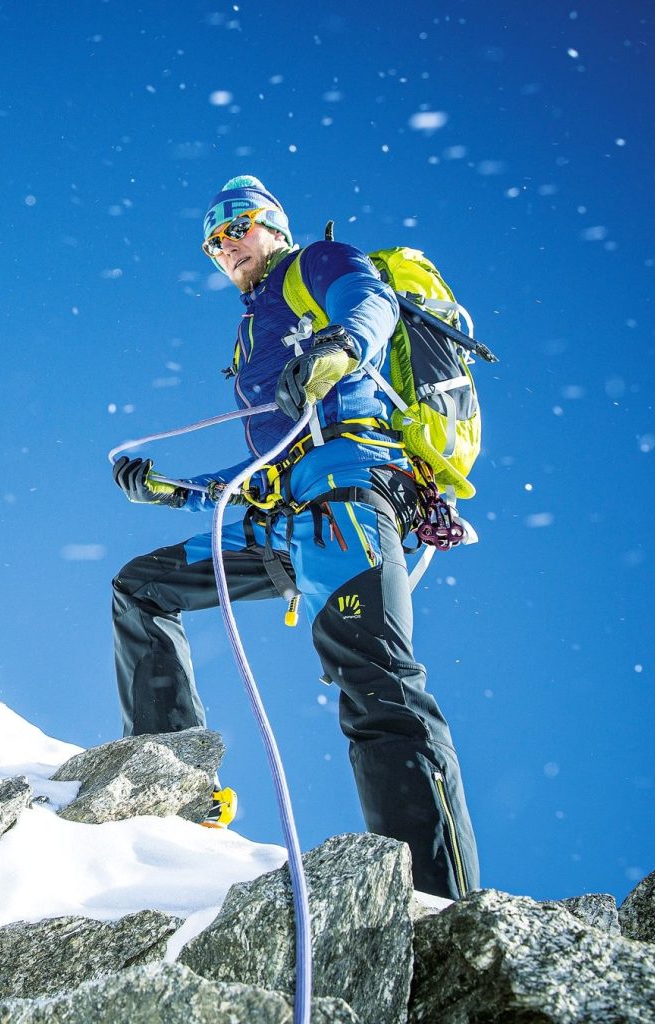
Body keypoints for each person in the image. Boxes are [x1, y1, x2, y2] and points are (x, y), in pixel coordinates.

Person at [111, 175, 479, 899]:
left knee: (375, 684)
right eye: (213, 241)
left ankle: (439, 907)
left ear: (272, 227)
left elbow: (367, 300)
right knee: (142, 587)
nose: (225, 246)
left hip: (347, 496)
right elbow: (259, 468)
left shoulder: (314, 264)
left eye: (237, 228)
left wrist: (343, 342)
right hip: (284, 517)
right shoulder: (257, 326)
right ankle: (173, 782)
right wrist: (173, 491)